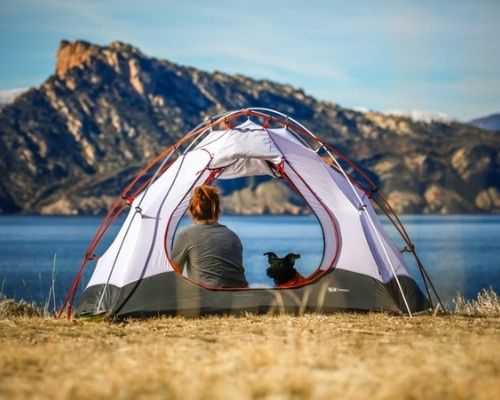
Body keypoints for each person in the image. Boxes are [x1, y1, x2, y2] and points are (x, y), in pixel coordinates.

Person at [172, 185, 248, 288]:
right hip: (240, 296)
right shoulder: (232, 236)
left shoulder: (186, 235)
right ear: (217, 210)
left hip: (208, 298)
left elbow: (174, 274)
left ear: (191, 210)